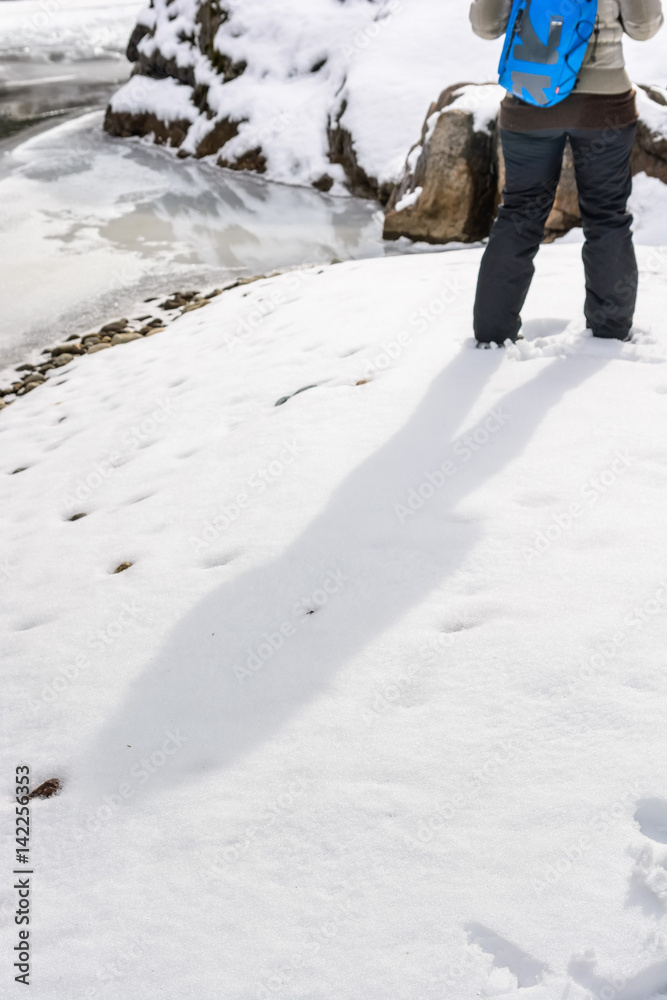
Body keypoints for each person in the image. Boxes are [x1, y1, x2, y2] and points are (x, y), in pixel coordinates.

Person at [470, 0, 664, 346]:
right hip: (603, 107)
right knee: (607, 217)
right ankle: (609, 334)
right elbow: (644, 27)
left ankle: (491, 337)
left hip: (530, 97)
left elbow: (486, 26)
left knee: (518, 216)